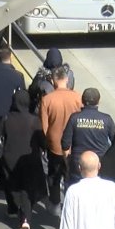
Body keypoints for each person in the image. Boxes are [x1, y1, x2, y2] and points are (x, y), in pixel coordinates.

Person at [0, 88, 47, 229]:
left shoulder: (6, 118)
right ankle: (25, 218)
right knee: (27, 189)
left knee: (11, 185)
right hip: (29, 159)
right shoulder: (34, 120)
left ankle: (13, 207)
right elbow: (43, 142)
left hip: (9, 158)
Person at [41, 66, 84, 216]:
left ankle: (54, 203)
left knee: (54, 175)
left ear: (53, 80)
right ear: (67, 79)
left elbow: (45, 127)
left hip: (54, 146)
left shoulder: (47, 100)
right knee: (71, 176)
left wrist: (47, 143)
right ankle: (70, 204)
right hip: (73, 146)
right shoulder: (78, 97)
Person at [61, 88, 115, 181]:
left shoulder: (74, 118)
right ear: (98, 101)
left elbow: (65, 144)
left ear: (82, 100)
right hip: (100, 163)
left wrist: (67, 161)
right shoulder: (106, 119)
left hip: (78, 164)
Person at [0, 42, 25, 169]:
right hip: (9, 116)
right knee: (8, 143)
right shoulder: (18, 76)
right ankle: (5, 170)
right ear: (10, 56)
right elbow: (22, 97)